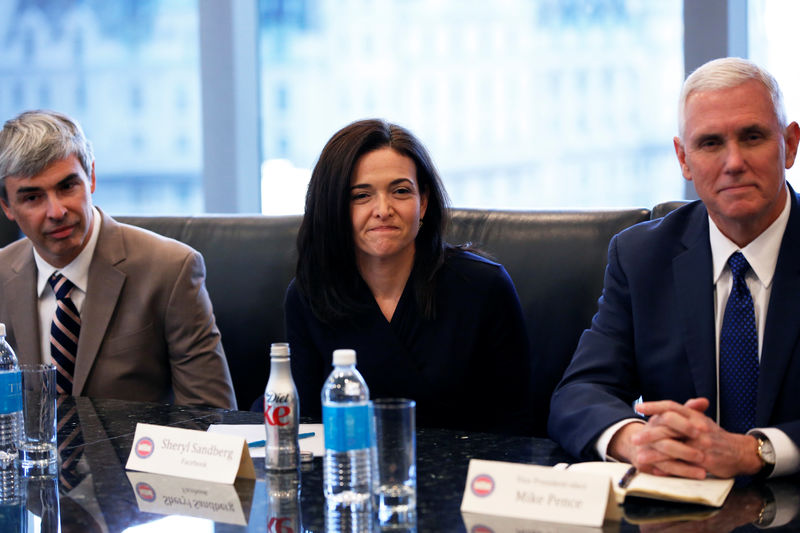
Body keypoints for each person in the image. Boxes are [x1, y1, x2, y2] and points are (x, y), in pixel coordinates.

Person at [549, 57, 800, 479]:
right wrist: (635, 439)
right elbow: (579, 392)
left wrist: (756, 451)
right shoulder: (642, 256)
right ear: (683, 159)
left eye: (752, 136)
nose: (733, 161)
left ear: (790, 144)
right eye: (710, 143)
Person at [283, 119, 533, 433]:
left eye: (401, 191)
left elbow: (518, 428)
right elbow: (304, 426)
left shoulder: (484, 287)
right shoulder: (311, 295)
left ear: (423, 202)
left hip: (467, 477)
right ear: (333, 207)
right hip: (350, 475)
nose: (383, 209)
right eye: (361, 196)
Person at [0, 110, 236, 409]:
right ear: (7, 207)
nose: (56, 211)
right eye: (33, 198)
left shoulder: (171, 270)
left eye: (67, 186)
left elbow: (212, 416)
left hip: (137, 455)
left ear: (92, 178)